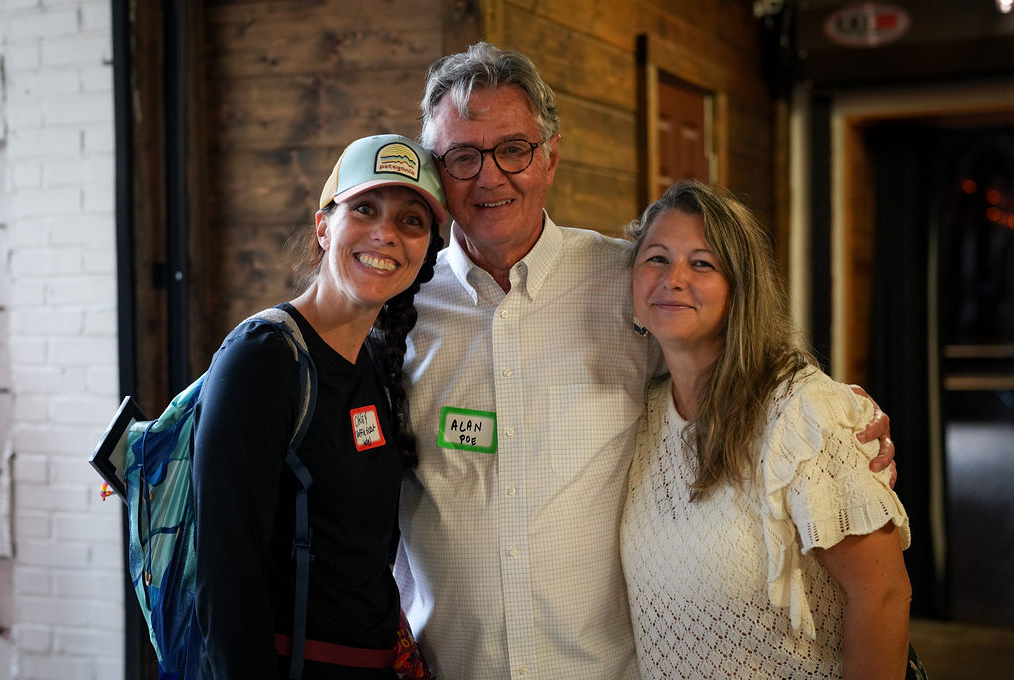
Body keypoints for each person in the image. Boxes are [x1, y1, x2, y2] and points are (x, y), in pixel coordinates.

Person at [393, 42, 897, 678]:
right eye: (463, 156)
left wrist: (838, 424)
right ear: (437, 173)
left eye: (513, 149)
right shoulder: (400, 309)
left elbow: (741, 360)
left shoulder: (629, 282)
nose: (489, 177)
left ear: (550, 157)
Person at [620, 180, 912, 679]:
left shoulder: (802, 413)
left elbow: (882, 594)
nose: (673, 279)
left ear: (741, 289)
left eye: (702, 264)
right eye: (657, 258)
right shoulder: (643, 412)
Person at [192, 134, 446, 679]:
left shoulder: (375, 361)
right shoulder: (263, 358)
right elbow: (225, 578)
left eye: (411, 221)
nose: (386, 233)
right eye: (365, 209)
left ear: (427, 251)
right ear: (324, 226)